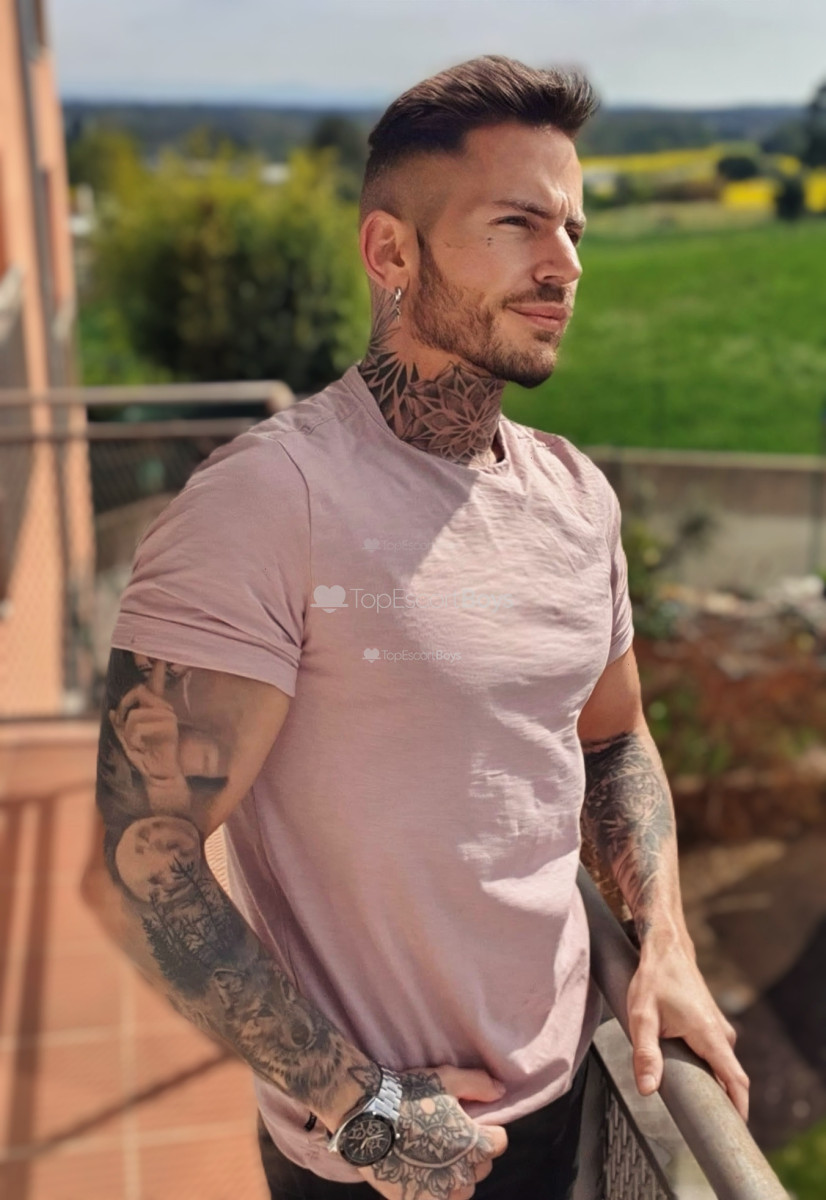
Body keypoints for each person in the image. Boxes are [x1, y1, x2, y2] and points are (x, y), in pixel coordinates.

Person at [83, 55, 750, 1200]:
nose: (565, 264)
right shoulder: (269, 500)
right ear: (391, 252)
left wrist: (666, 945)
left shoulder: (576, 497)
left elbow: (611, 741)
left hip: (568, 1092)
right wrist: (363, 1110)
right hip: (377, 1155)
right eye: (517, 224)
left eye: (573, 229)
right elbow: (140, 856)